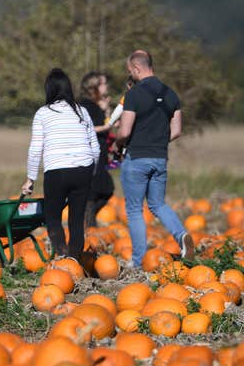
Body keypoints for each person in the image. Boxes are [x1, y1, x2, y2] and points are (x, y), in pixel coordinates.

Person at [113, 50, 194, 269]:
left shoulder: (134, 94)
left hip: (137, 157)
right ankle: (182, 235)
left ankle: (138, 262)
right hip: (159, 158)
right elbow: (176, 131)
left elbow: (125, 131)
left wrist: (116, 144)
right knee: (158, 204)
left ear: (137, 68)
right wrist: (156, 140)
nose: (131, 74)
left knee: (134, 210)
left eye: (130, 71)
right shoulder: (171, 94)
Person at [22, 68, 100, 262]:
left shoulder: (43, 113)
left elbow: (35, 149)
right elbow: (96, 148)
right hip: (84, 168)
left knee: (53, 217)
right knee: (76, 219)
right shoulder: (82, 111)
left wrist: (30, 179)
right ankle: (75, 260)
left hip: (56, 171)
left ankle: (62, 255)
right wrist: (91, 172)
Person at [79, 71, 115, 227]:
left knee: (106, 188)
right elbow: (85, 128)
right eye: (103, 83)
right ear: (93, 87)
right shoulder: (85, 106)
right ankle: (88, 227)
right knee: (92, 193)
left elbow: (105, 125)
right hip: (89, 156)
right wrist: (106, 126)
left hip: (101, 156)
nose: (106, 86)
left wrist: (106, 111)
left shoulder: (96, 106)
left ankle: (89, 221)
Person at [106, 76, 137, 169]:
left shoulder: (128, 95)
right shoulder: (148, 95)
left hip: (129, 124)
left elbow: (117, 111)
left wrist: (110, 122)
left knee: (121, 137)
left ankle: (116, 160)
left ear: (130, 85)